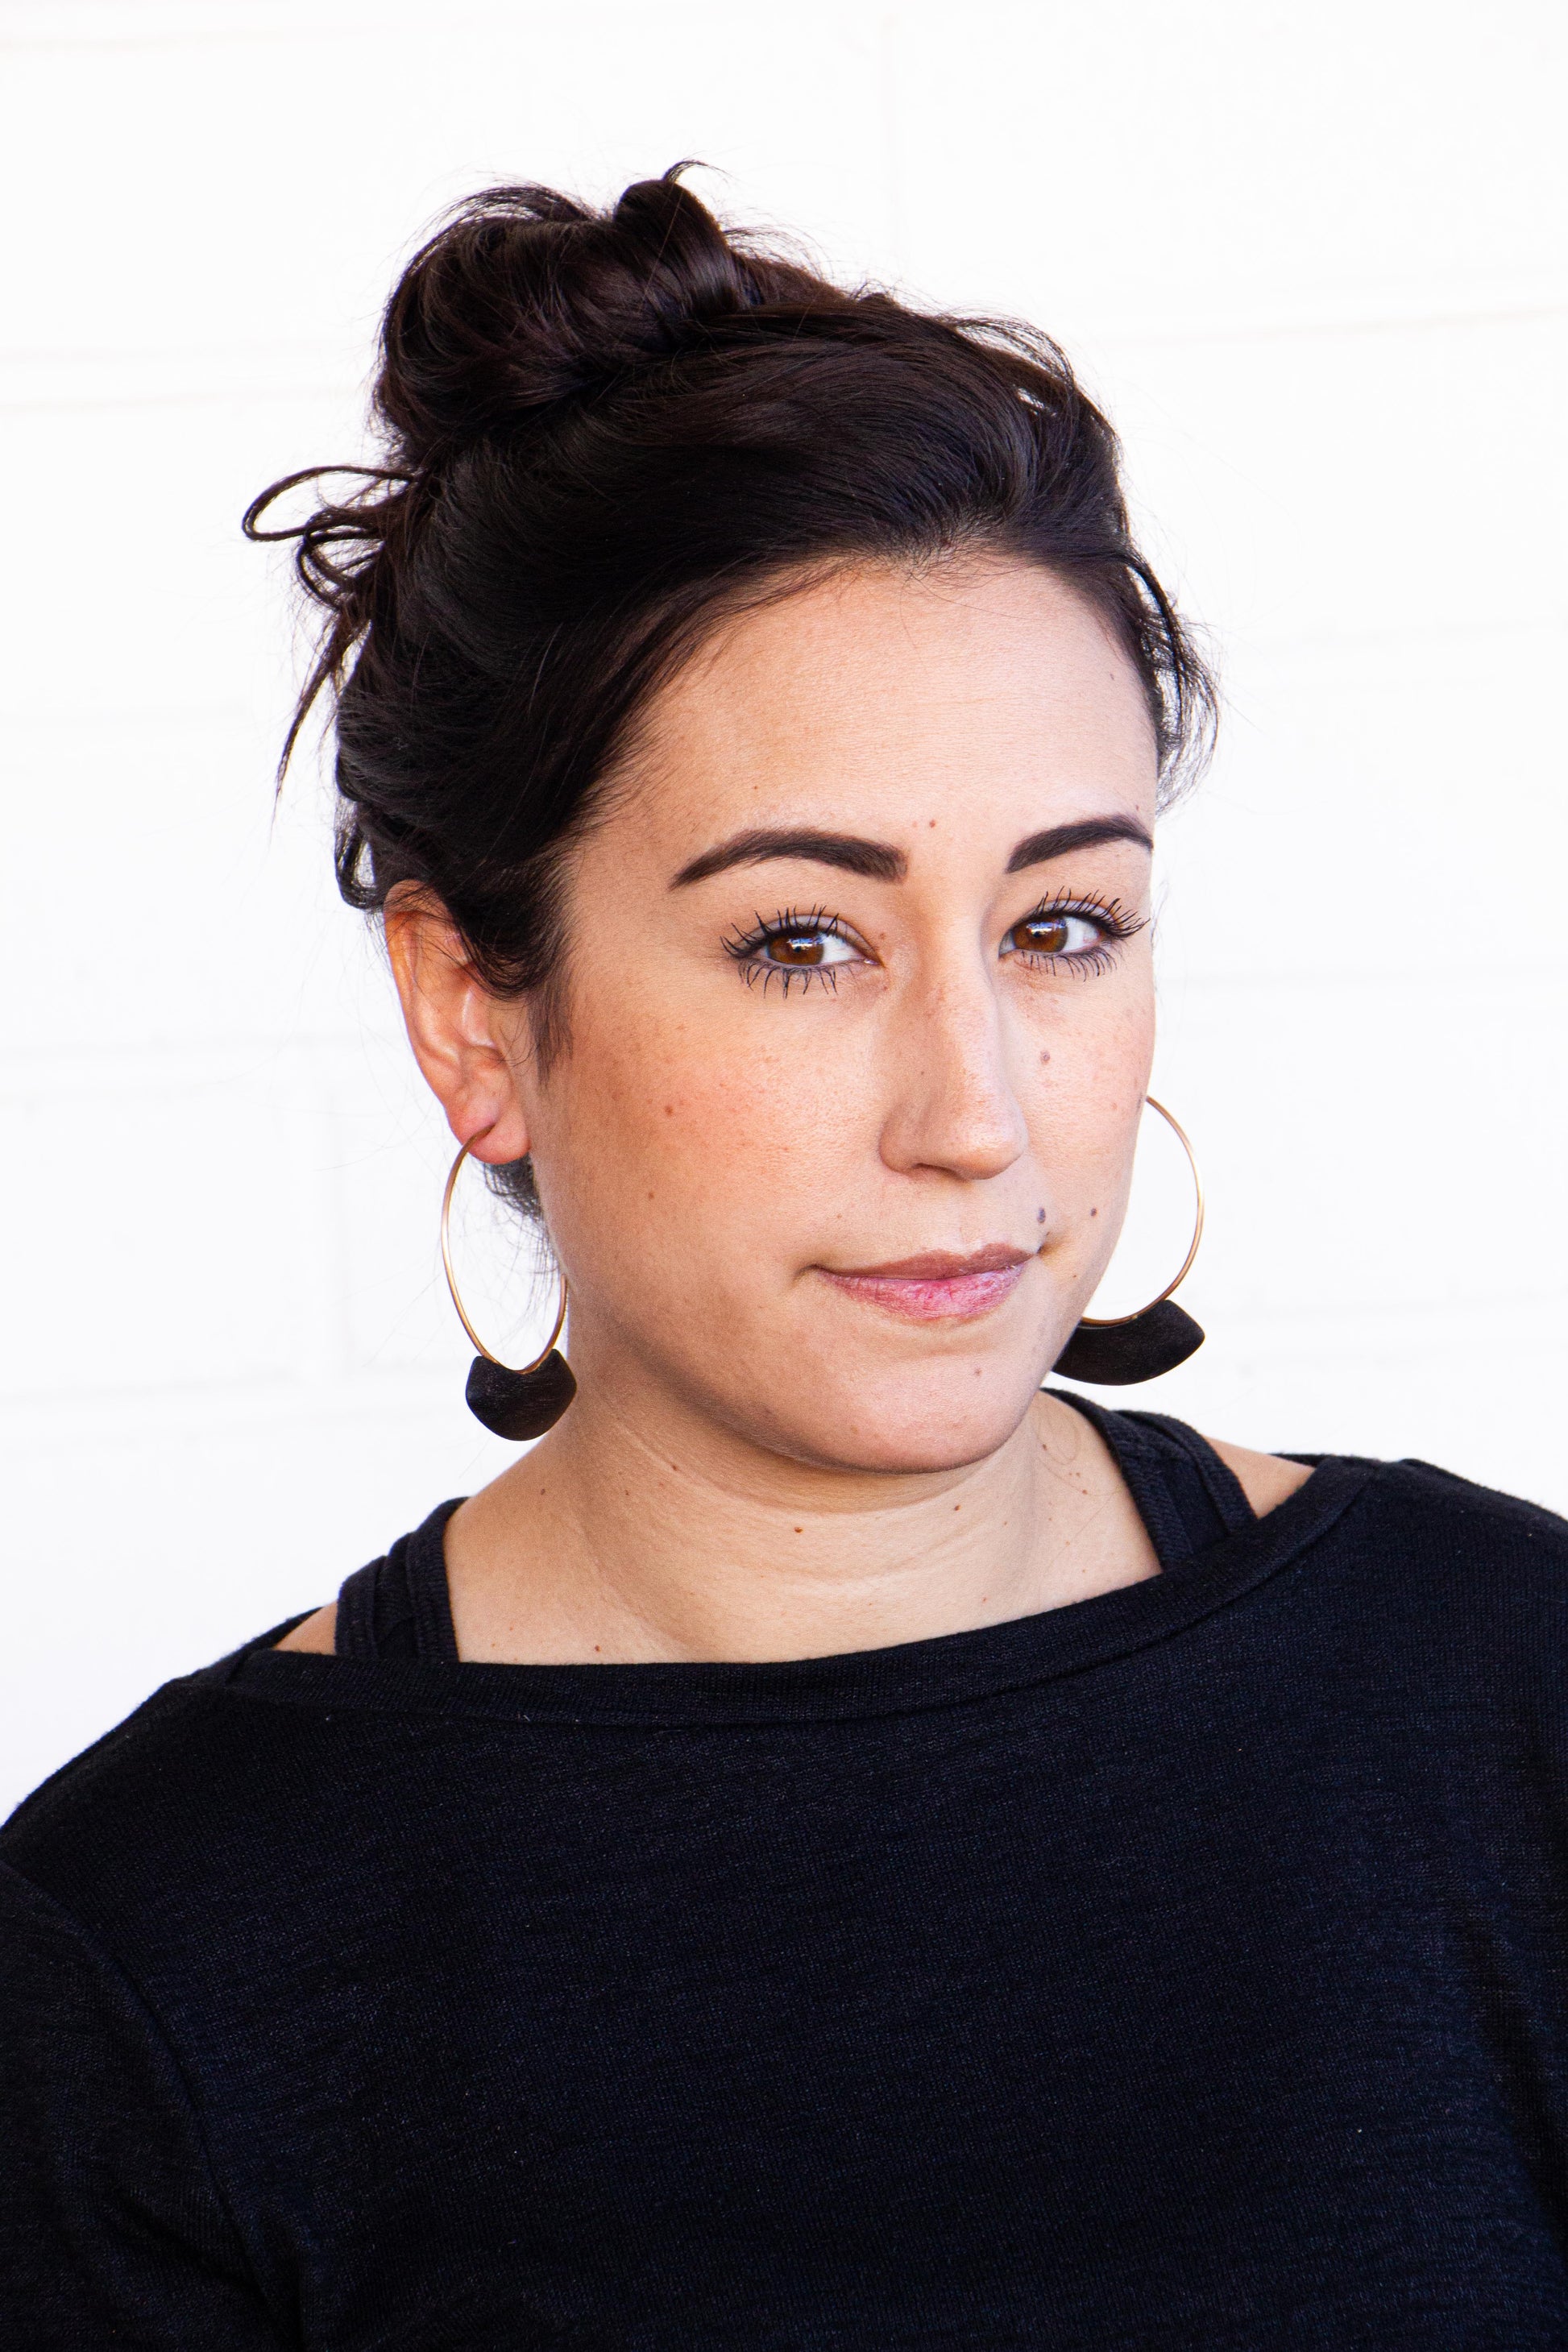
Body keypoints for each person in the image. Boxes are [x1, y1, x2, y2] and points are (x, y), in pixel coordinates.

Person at [3, 168, 1566, 2350]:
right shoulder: (142, 1968)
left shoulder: (1504, 1693)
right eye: (799, 942)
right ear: (475, 1011)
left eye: (1060, 927)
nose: (975, 1116)